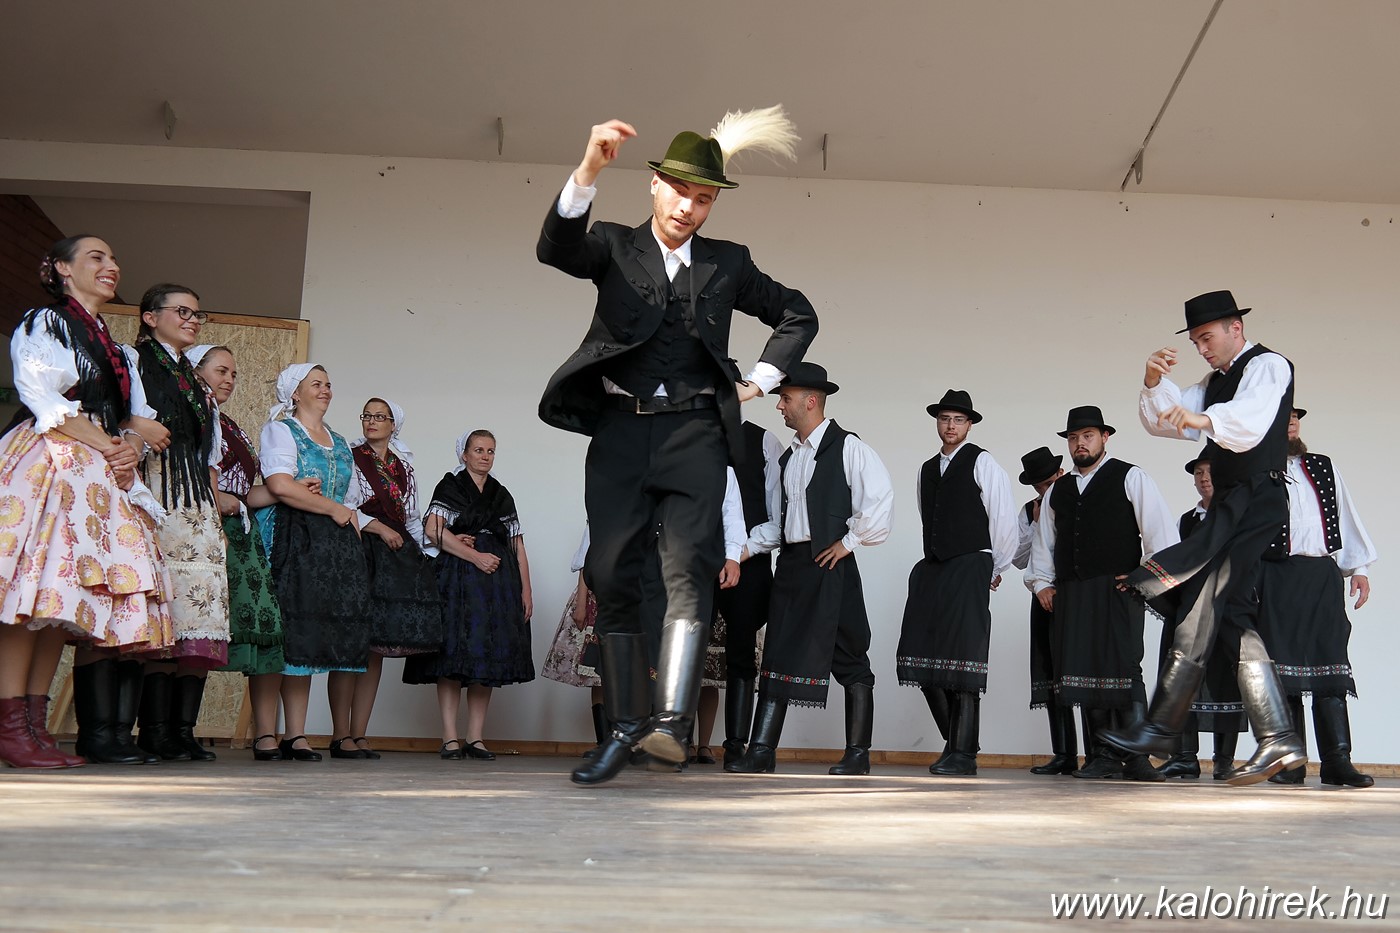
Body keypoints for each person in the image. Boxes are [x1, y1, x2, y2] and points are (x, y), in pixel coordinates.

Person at [537, 108, 818, 785]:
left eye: (704, 199)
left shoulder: (728, 262)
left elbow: (797, 312)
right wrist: (589, 168)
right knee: (611, 572)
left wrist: (759, 381)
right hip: (620, 429)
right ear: (655, 185)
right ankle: (624, 729)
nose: (690, 208)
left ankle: (669, 725)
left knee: (687, 568)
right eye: (681, 193)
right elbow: (557, 249)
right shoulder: (613, 245)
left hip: (695, 431)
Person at [1103, 289, 1306, 786]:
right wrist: (1154, 383)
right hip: (1234, 504)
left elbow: (1251, 421)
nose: (1201, 348)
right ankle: (1275, 736)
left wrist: (1204, 420)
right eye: (1194, 341)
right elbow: (1170, 419)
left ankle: (1162, 728)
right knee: (1225, 612)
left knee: (1205, 602)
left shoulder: (1269, 365)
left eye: (1207, 337)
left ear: (1236, 327)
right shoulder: (1213, 382)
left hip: (1257, 498)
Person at [0, 235, 173, 769]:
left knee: (61, 602)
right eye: (96, 257)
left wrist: (129, 447)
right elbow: (41, 395)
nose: (111, 265)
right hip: (51, 460)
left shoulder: (117, 349)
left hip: (96, 472)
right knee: (31, 594)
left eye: (113, 258)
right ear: (61, 268)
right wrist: (111, 446)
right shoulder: (45, 322)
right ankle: (11, 726)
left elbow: (137, 420)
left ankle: (34, 726)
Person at [727, 363, 894, 776]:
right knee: (777, 654)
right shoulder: (788, 458)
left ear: (811, 401)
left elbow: (879, 505)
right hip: (792, 568)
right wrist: (738, 553)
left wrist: (847, 543)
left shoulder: (849, 447)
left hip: (830, 566)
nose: (779, 407)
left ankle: (858, 753)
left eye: (785, 399)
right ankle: (761, 751)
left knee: (850, 655)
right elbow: (778, 523)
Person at [1027, 406, 1177, 782]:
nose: (1080, 443)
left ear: (1104, 438)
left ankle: (1137, 759)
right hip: (1072, 592)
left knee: (1125, 668)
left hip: (1118, 590)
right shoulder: (1058, 490)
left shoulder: (1131, 476)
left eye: (1088, 436)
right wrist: (1042, 583)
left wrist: (1146, 577)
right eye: (1074, 438)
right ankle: (1102, 756)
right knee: (1082, 670)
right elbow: (1045, 542)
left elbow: (1159, 532)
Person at [125, 284, 231, 763]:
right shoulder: (135, 362)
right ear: (150, 317)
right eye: (181, 311)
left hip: (196, 506)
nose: (191, 319)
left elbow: (208, 459)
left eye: (196, 313)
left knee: (196, 617)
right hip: (155, 492)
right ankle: (153, 731)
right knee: (163, 613)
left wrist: (213, 515)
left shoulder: (196, 383)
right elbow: (119, 421)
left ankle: (181, 731)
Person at [895, 390, 1017, 777]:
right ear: (937, 422)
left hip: (971, 563)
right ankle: (958, 742)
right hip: (934, 566)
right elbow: (927, 516)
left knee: (963, 657)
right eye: (945, 418)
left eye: (958, 420)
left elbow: (1003, 519)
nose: (951, 426)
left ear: (969, 425)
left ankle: (963, 754)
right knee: (921, 655)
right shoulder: (926, 469)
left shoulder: (983, 462)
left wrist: (994, 567)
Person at [191, 344, 303, 762]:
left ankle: (184, 731)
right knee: (197, 627)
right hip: (205, 530)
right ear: (195, 372)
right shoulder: (193, 419)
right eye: (221, 371)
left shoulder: (229, 425)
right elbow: (204, 485)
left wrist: (287, 490)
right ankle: (166, 730)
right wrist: (224, 501)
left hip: (241, 533)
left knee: (245, 630)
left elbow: (241, 494)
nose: (229, 380)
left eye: (234, 374)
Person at [258, 363, 371, 761]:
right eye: (316, 384)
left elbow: (351, 501)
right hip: (291, 536)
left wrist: (352, 532)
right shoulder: (281, 431)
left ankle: (300, 733)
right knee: (289, 630)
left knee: (312, 635)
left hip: (332, 546)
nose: (325, 390)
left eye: (328, 384)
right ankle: (273, 732)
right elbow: (281, 486)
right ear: (295, 392)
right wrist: (335, 510)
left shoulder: (339, 441)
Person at [1259, 408, 1376, 788]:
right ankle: (1290, 763)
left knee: (1331, 667)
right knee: (1283, 675)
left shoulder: (1322, 466)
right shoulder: (1254, 471)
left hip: (1322, 576)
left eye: (1295, 417)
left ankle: (1337, 761)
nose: (1292, 422)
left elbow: (1345, 515)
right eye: (1284, 416)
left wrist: (1359, 569)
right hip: (1275, 576)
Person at [403, 430, 534, 761]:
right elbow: (433, 531)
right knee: (451, 656)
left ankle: (475, 737)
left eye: (490, 451)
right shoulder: (450, 486)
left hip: (497, 586)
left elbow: (517, 544)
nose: (485, 456)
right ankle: (449, 737)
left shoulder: (501, 494)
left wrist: (526, 589)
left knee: (485, 657)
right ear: (464, 454)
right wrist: (475, 556)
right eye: (478, 450)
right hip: (456, 582)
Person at [338, 398, 445, 759]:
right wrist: (380, 528)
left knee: (376, 648)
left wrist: (426, 555)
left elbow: (411, 518)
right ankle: (340, 734)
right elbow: (344, 504)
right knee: (354, 643)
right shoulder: (350, 457)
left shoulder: (403, 468)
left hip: (393, 557)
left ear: (393, 425)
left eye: (379, 416)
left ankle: (359, 734)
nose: (371, 421)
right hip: (359, 547)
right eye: (367, 415)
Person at [1154, 451, 1244, 780]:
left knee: (1226, 680)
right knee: (1183, 678)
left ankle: (1224, 760)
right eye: (1198, 473)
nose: (1204, 478)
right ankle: (1185, 757)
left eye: (1210, 472)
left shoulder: (1238, 516)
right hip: (1190, 609)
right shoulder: (1186, 521)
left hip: (1227, 607)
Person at [1011, 446, 1083, 776]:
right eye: (1039, 486)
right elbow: (1017, 558)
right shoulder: (1030, 510)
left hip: (1075, 591)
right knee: (1050, 670)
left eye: (1050, 482)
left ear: (1061, 474)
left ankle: (1100, 754)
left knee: (1082, 668)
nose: (1045, 489)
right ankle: (1064, 753)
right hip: (1042, 592)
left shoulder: (1077, 499)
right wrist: (1036, 525)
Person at [716, 421, 783, 767]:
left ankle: (735, 746)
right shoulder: (686, 435)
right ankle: (674, 740)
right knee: (680, 644)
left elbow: (779, 516)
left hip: (749, 560)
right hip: (695, 560)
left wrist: (740, 551)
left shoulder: (764, 442)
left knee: (741, 651)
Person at [540, 527, 604, 756]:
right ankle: (605, 742)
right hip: (600, 597)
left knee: (632, 675)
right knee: (598, 675)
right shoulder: (599, 515)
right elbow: (587, 560)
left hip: (635, 598)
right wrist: (581, 603)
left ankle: (629, 743)